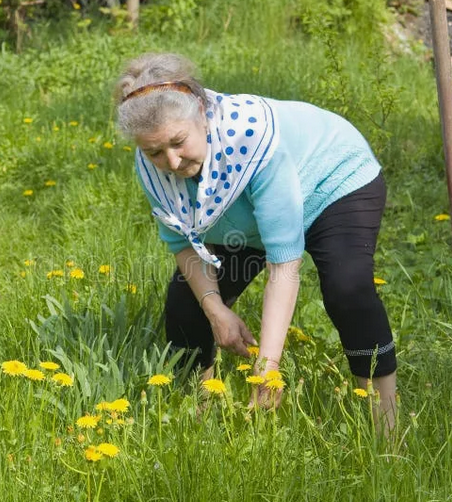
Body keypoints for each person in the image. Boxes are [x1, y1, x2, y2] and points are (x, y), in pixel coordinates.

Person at [113, 52, 397, 431]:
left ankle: (386, 424)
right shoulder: (152, 165)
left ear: (201, 110)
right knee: (187, 304)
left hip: (331, 181)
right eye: (155, 152)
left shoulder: (250, 139)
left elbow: (284, 262)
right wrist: (217, 312)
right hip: (242, 211)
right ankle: (202, 410)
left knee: (348, 288)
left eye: (179, 142)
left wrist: (268, 366)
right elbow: (181, 242)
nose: (173, 162)